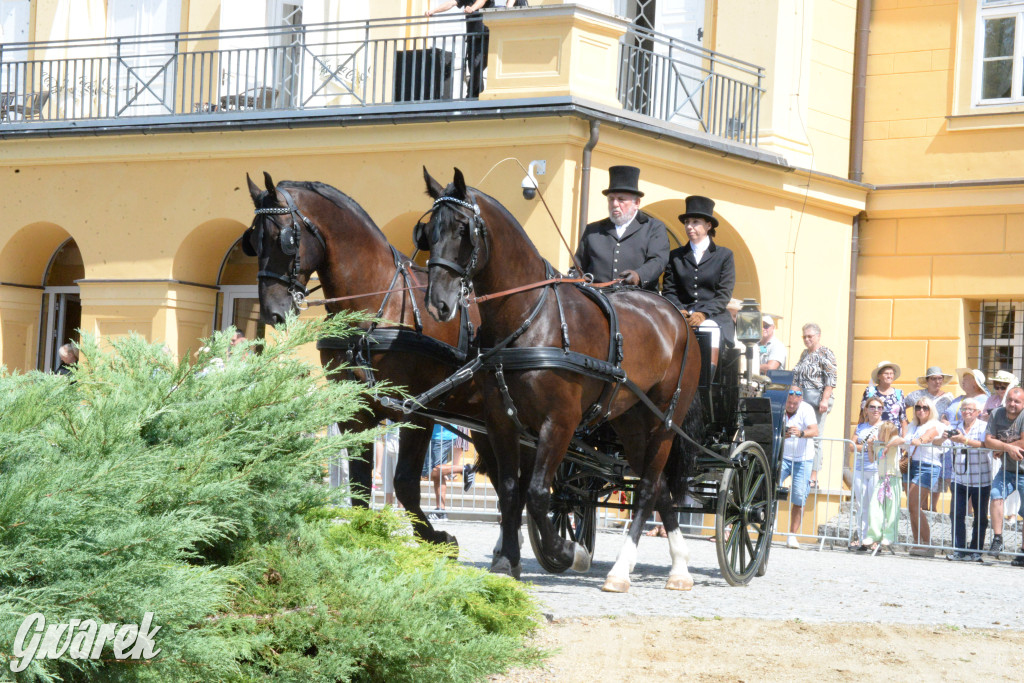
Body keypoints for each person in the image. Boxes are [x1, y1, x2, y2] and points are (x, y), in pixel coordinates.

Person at [574, 165, 669, 291]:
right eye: (611, 199)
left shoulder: (654, 228)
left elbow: (658, 261)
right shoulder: (593, 230)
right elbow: (578, 267)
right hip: (598, 299)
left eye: (621, 199)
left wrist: (639, 275)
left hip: (639, 300)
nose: (614, 204)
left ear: (637, 203)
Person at [662, 195, 736, 351]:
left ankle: (707, 374)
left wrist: (703, 314)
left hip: (713, 316)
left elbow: (723, 294)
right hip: (681, 314)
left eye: (695, 222)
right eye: (687, 222)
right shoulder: (675, 256)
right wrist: (680, 310)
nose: (689, 226)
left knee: (709, 330)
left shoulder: (724, 255)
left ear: (708, 226)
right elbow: (669, 290)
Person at [889, 397, 944, 555]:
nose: (921, 410)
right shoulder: (912, 425)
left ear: (931, 409)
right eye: (918, 407)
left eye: (925, 408)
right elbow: (905, 441)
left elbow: (930, 434)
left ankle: (927, 543)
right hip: (911, 464)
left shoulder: (935, 424)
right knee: (912, 507)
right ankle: (918, 541)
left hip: (927, 465)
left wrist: (920, 440)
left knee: (914, 504)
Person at [944, 397, 991, 562]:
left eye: (970, 409)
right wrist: (944, 437)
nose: (966, 412)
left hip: (981, 477)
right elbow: (938, 443)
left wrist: (964, 440)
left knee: (980, 517)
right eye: (964, 409)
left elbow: (987, 445)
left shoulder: (984, 426)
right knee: (956, 514)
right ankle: (959, 549)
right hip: (959, 477)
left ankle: (976, 550)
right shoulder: (954, 426)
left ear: (978, 412)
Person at [792, 323, 837, 489]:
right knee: (800, 435)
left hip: (816, 400)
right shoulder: (804, 354)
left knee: (815, 438)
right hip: (801, 400)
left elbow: (831, 379)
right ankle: (801, 473)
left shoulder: (826, 353)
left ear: (818, 336)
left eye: (810, 336)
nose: (806, 339)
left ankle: (813, 477)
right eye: (804, 336)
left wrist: (825, 399)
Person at [983, 385, 1024, 565]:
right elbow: (988, 440)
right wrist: (1007, 448)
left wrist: (1002, 447)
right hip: (1007, 470)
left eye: (1017, 401)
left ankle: (1022, 552)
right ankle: (998, 539)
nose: (1012, 404)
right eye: (1010, 400)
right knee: (995, 495)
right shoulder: (997, 414)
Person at [425, 0, 494, 98]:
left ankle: (471, 95)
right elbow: (451, 2)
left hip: (486, 35)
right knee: (473, 69)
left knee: (477, 65)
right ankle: (477, 96)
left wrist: (472, 8)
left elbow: (482, 1)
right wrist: (433, 11)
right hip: (472, 38)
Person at [779, 385, 819, 549]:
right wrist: (783, 433)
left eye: (795, 403)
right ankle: (766, 527)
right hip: (782, 457)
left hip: (803, 459)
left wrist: (800, 433)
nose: (792, 406)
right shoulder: (779, 405)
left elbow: (814, 431)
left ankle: (792, 535)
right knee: (766, 490)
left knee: (799, 497)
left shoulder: (807, 408)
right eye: (789, 403)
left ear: (801, 399)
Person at [849, 396, 884, 549]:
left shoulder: (885, 427)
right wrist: (867, 447)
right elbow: (852, 445)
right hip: (860, 468)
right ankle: (864, 538)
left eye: (879, 407)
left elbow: (884, 447)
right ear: (867, 409)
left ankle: (875, 538)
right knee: (861, 504)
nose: (876, 410)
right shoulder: (861, 427)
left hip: (876, 469)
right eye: (873, 407)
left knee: (875, 505)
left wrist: (870, 446)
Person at [862, 421, 902, 552]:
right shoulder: (878, 444)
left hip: (893, 478)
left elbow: (901, 439)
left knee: (892, 510)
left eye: (879, 432)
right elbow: (872, 459)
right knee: (875, 507)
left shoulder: (894, 441)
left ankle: (889, 535)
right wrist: (870, 446)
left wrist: (888, 445)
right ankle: (873, 535)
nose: (877, 434)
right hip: (881, 479)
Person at [424, 424, 464, 520]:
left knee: (427, 472)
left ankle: (465, 469)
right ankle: (440, 511)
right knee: (438, 474)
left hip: (439, 435)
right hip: (443, 434)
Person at [861, 361, 906, 430]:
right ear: (879, 376)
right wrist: (858, 434)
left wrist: (904, 439)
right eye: (886, 374)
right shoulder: (870, 392)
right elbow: (862, 414)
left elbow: (903, 419)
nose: (889, 376)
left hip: (894, 435)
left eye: (891, 374)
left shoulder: (899, 393)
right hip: (874, 434)